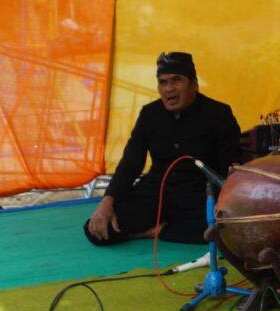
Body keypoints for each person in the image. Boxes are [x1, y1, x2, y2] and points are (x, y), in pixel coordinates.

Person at [84, 52, 241, 246]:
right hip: (156, 192)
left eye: (176, 81)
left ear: (194, 84)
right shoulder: (150, 114)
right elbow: (130, 163)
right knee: (98, 229)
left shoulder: (218, 114)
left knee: (224, 227)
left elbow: (231, 168)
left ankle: (155, 231)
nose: (169, 89)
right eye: (163, 82)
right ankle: (168, 229)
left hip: (199, 195)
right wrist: (107, 202)